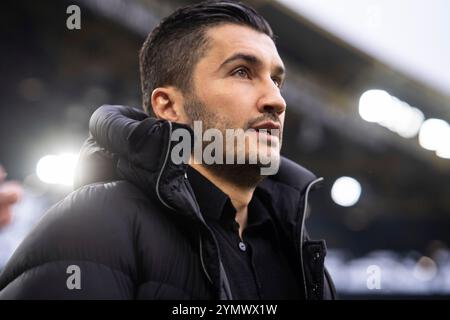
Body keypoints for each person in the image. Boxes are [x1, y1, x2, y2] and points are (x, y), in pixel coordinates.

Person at [0, 0, 336, 299]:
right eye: (242, 72)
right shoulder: (93, 223)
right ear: (169, 106)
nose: (276, 100)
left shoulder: (304, 262)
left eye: (276, 80)